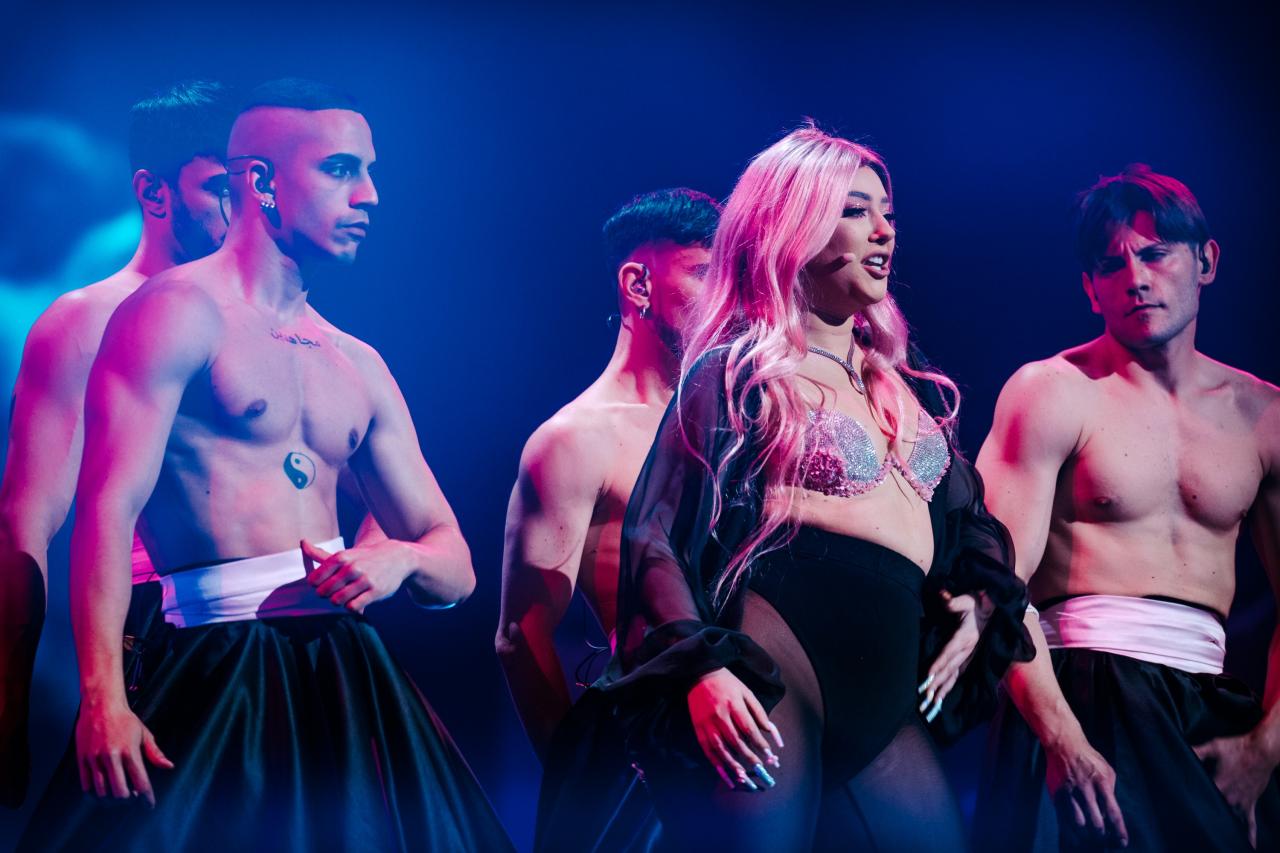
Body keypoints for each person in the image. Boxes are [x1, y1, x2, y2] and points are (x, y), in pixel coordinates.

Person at [16, 78, 512, 852]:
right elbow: (106, 510)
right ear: (262, 182)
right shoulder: (171, 313)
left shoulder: (357, 361)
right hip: (215, 663)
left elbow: (457, 566)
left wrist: (399, 559)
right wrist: (102, 695)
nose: (370, 195)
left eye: (370, 171)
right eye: (341, 170)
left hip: (349, 675)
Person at [595, 125, 1032, 850]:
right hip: (780, 659)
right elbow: (655, 536)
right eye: (855, 210)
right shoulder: (737, 373)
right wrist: (702, 669)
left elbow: (970, 520)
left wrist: (981, 602)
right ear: (791, 226)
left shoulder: (903, 381)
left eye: (887, 212)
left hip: (887, 683)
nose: (884, 230)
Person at [973, 164, 1280, 852]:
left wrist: (1265, 747)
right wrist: (1060, 736)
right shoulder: (1051, 392)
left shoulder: (1265, 417)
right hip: (1078, 689)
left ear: (1206, 261)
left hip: (1210, 706)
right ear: (1090, 288)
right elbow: (992, 583)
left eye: (1156, 254)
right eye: (1112, 265)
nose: (1136, 278)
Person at [0, 80, 235, 808]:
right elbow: (26, 523)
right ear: (152, 192)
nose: (244, 210)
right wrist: (10, 700)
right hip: (145, 640)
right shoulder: (83, 318)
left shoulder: (282, 321)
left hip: (286, 642)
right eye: (222, 187)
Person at [496, 188, 719, 850]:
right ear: (638, 284)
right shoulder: (575, 439)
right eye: (704, 274)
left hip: (767, 738)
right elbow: (521, 635)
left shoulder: (739, 421)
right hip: (649, 762)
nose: (727, 298)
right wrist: (581, 774)